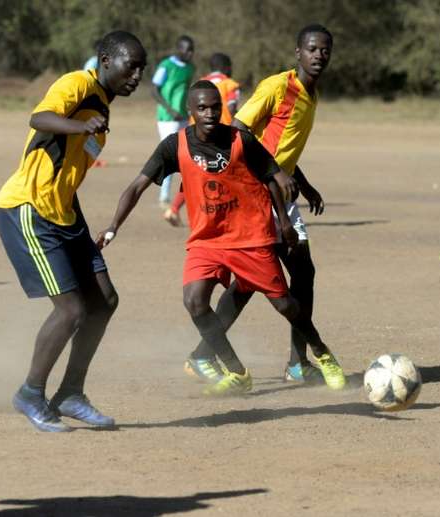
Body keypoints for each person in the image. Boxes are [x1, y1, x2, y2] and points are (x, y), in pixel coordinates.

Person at [98, 81, 345, 395]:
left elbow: (271, 178)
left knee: (285, 305)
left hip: (250, 235)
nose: (211, 113)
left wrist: (284, 222)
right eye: (202, 108)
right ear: (191, 112)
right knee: (194, 301)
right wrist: (112, 227)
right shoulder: (174, 145)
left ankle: (322, 353)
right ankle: (237, 372)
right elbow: (136, 187)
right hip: (208, 239)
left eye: (216, 107)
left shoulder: (242, 140)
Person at [0, 31, 147, 432]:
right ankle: (30, 393)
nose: (137, 76)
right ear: (106, 60)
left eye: (141, 69)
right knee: (71, 310)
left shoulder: (104, 108)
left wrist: (76, 219)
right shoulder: (77, 84)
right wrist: (78, 127)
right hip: (29, 208)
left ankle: (71, 394)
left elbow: (71, 168)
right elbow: (39, 118)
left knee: (105, 301)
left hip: (64, 213)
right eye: (131, 66)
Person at [183, 24, 341, 387]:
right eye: (313, 49)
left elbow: (279, 145)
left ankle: (288, 362)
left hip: (278, 190)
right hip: (255, 194)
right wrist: (273, 177)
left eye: (325, 50)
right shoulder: (277, 87)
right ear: (297, 53)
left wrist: (301, 180)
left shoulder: (310, 93)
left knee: (280, 277)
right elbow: (238, 131)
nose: (319, 55)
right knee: (273, 276)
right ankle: (291, 362)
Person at [163, 52, 241, 227]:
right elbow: (233, 108)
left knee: (195, 174)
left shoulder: (200, 83)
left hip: (195, 135)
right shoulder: (231, 85)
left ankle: (173, 209)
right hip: (220, 137)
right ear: (228, 68)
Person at [151, 35, 195, 208]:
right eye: (187, 49)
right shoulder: (166, 66)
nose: (190, 53)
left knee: (187, 156)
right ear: (178, 49)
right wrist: (170, 109)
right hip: (167, 118)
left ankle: (188, 194)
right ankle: (164, 196)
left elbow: (186, 90)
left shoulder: (191, 68)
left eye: (192, 50)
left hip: (184, 116)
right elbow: (154, 90)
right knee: (171, 155)